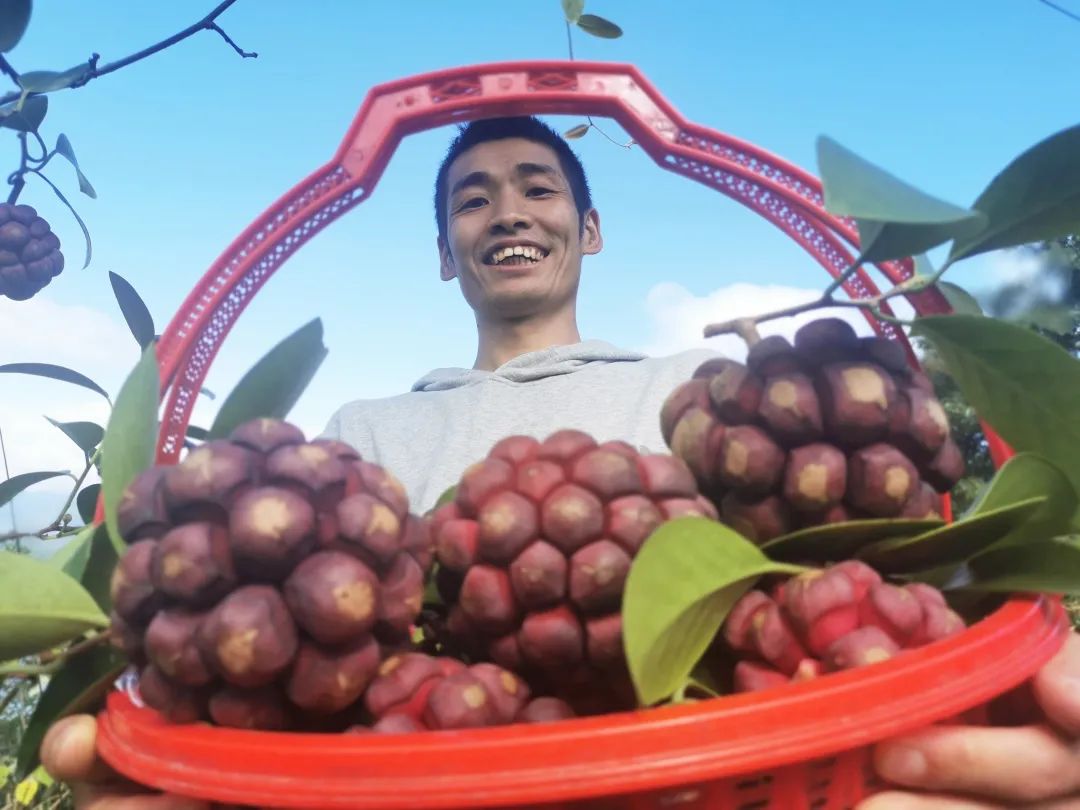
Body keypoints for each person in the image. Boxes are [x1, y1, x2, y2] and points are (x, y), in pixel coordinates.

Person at [41, 116, 1080, 809]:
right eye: (473, 200)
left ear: (588, 230)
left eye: (536, 188)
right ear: (448, 252)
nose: (507, 211)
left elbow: (841, 584)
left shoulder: (699, 395)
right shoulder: (363, 433)